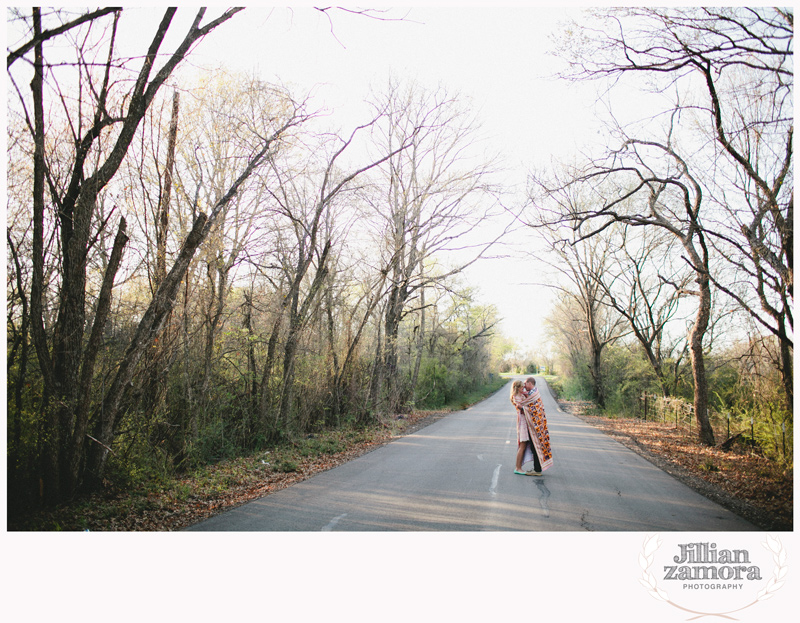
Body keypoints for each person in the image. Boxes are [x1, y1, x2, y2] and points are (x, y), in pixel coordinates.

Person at [510, 377, 553, 476]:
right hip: (526, 423)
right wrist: (523, 407)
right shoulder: (526, 395)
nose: (524, 387)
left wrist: (523, 406)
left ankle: (534, 469)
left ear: (530, 383)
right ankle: (521, 467)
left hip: (532, 424)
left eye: (525, 384)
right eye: (522, 386)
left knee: (530, 445)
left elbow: (536, 408)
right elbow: (524, 406)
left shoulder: (533, 394)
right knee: (526, 445)